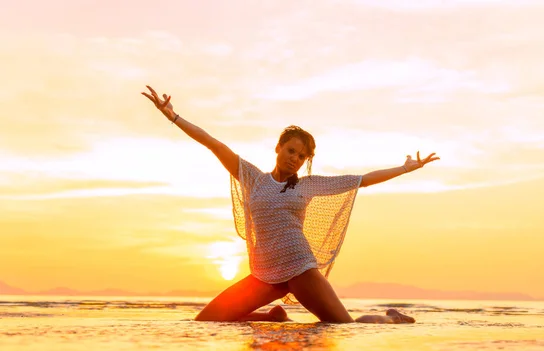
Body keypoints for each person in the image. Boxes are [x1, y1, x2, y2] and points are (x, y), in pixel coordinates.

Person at [142, 85, 439, 324]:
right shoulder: (254, 178)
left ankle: (389, 318)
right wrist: (173, 116)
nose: (294, 159)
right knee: (207, 320)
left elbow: (362, 179)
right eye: (291, 150)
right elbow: (214, 144)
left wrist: (404, 169)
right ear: (278, 148)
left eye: (302, 156)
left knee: (343, 325)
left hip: (300, 269)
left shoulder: (309, 185)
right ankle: (271, 315)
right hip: (265, 274)